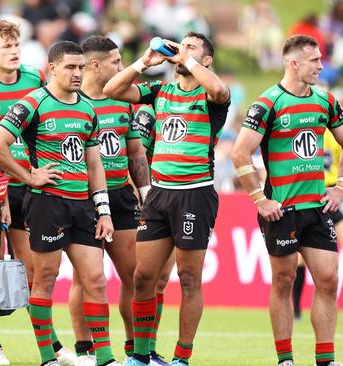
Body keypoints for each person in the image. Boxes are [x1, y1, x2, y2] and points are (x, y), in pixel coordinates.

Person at [231, 35, 343, 366]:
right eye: (314, 60)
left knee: (329, 280)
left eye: (320, 59)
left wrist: (341, 186)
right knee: (284, 281)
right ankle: (285, 359)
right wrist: (260, 199)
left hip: (317, 208)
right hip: (281, 211)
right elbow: (240, 152)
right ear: (294, 63)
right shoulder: (268, 103)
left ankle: (326, 360)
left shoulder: (325, 100)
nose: (321, 65)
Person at [104, 31, 230, 366]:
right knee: (143, 278)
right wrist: (145, 61)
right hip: (158, 195)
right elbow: (111, 90)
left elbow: (219, 89)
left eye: (191, 48)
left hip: (194, 195)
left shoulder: (210, 96)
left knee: (189, 279)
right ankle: (141, 356)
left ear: (206, 61)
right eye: (181, 44)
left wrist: (183, 59)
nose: (181, 50)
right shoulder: (159, 91)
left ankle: (181, 358)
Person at [0, 40, 117, 366]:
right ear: (52, 68)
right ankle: (48, 357)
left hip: (82, 207)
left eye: (81, 67)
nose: (78, 74)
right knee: (45, 279)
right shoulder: (33, 103)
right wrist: (28, 176)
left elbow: (95, 166)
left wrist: (103, 210)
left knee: (96, 280)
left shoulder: (88, 108)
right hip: (47, 203)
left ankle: (104, 357)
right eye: (70, 67)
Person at [0, 19, 77, 366]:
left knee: (33, 272)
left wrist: (30, 173)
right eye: (6, 46)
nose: (14, 51)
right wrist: (1, 188)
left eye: (17, 44)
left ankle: (49, 345)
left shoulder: (35, 80)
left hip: (31, 187)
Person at [67, 35, 150, 366]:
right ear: (96, 65)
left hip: (120, 195)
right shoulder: (69, 101)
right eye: (116, 62)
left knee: (133, 274)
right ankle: (85, 348)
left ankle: (133, 349)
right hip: (82, 198)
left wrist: (145, 192)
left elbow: (135, 153)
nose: (122, 67)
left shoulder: (123, 102)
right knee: (85, 278)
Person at [292, 96, 343, 322]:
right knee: (301, 257)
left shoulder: (338, 134)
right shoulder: (304, 129)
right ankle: (296, 309)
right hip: (310, 194)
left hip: (335, 194)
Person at [131, 103, 176, 365]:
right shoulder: (151, 112)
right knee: (142, 277)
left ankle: (150, 349)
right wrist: (141, 191)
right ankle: (88, 349)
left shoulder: (206, 106)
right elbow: (136, 154)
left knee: (161, 279)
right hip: (152, 199)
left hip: (180, 199)